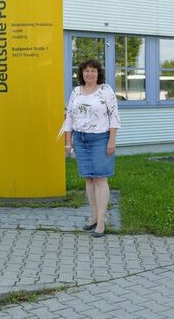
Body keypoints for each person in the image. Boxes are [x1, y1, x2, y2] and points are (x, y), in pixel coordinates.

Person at [63, 59, 121, 237]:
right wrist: (68, 142)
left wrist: (111, 141)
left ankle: (101, 222)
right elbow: (69, 117)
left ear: (98, 73)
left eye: (93, 71)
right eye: (86, 71)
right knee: (88, 179)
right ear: (81, 73)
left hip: (100, 139)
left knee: (100, 179)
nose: (89, 74)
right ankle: (94, 216)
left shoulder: (105, 90)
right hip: (80, 139)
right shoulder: (76, 92)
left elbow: (114, 117)